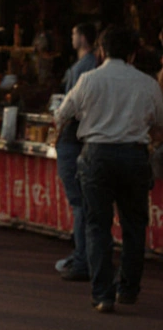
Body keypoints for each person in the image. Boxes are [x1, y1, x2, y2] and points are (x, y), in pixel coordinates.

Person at [54, 26, 163, 313]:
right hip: (133, 155)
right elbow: (160, 123)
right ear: (133, 53)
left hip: (97, 155)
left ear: (101, 51)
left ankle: (102, 294)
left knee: (97, 226)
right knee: (134, 226)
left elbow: (62, 114)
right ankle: (127, 289)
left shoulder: (89, 79)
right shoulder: (147, 83)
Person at [54, 23, 98, 281]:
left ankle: (82, 258)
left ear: (82, 38)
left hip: (73, 139)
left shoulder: (83, 70)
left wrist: (57, 129)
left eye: (73, 34)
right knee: (88, 204)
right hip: (87, 141)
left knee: (81, 203)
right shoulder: (92, 67)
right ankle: (86, 255)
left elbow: (66, 112)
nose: (71, 38)